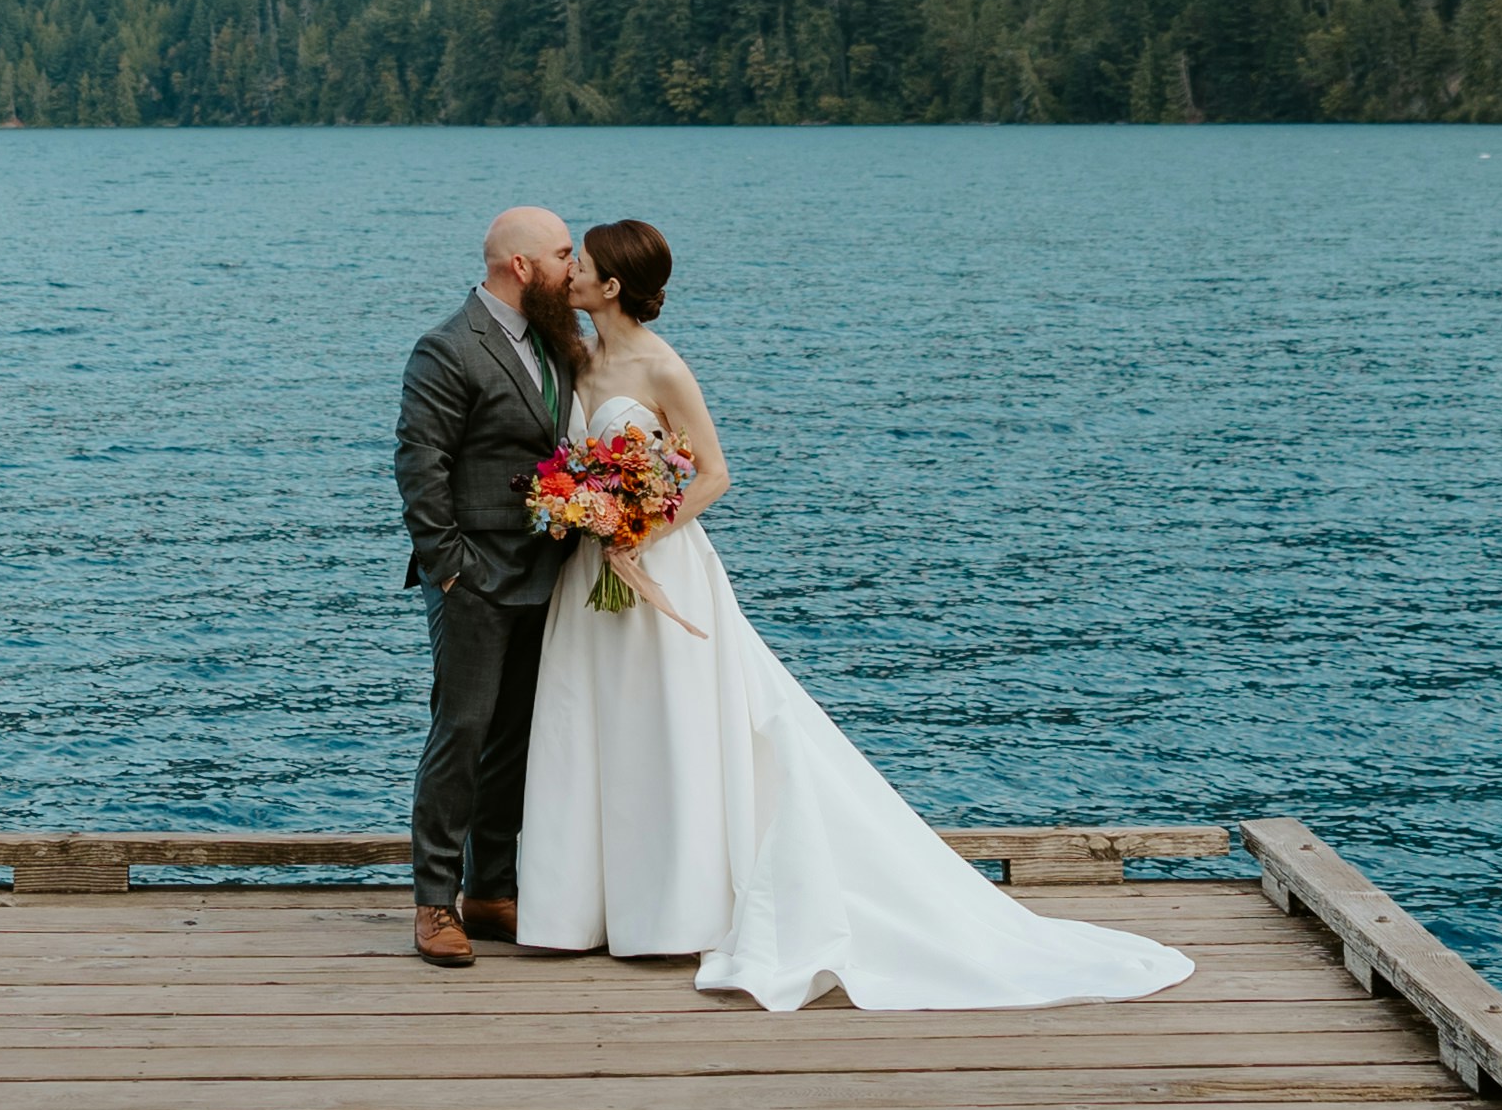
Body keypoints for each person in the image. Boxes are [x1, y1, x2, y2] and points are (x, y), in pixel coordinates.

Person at [516, 217, 1190, 1012]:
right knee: (592, 723)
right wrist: (583, 511)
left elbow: (715, 474)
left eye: (582, 265)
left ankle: (670, 911)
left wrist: (637, 529)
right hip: (591, 572)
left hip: (657, 565)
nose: (573, 276)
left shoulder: (663, 368)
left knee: (670, 727)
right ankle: (582, 906)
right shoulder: (579, 359)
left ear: (614, 285)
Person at [390, 202, 586, 969]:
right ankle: (434, 902)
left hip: (544, 569)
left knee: (515, 738)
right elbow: (419, 464)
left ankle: (492, 890)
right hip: (471, 575)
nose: (575, 267)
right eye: (566, 253)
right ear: (523, 266)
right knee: (462, 732)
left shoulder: (557, 342)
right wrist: (449, 567)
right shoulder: (447, 347)